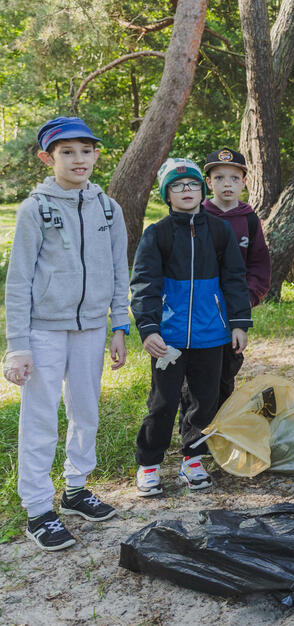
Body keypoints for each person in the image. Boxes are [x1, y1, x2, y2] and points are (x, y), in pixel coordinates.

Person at [4, 117, 128, 551]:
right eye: (67, 152)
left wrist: (119, 325)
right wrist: (17, 347)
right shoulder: (34, 209)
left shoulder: (109, 208)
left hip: (92, 329)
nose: (79, 159)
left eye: (86, 150)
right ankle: (38, 508)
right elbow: (18, 282)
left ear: (96, 154)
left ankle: (76, 489)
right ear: (47, 158)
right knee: (40, 418)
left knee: (86, 411)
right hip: (44, 332)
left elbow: (118, 271)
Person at [131, 158, 252, 496]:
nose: (187, 190)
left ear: (203, 190)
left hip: (211, 334)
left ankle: (193, 460)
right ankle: (149, 464)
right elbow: (145, 284)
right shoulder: (157, 235)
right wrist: (149, 328)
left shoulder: (219, 231)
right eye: (177, 186)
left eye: (193, 184)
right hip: (167, 338)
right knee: (163, 402)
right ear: (167, 195)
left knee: (204, 401)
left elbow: (234, 279)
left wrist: (239, 323)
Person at [198, 148, 270, 407]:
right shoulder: (199, 216)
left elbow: (259, 263)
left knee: (228, 367)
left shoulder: (249, 220)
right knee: (199, 368)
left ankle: (223, 424)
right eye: (218, 178)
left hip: (233, 309)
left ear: (244, 182)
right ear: (208, 182)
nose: (227, 184)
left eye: (234, 178)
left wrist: (248, 297)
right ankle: (194, 431)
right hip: (201, 308)